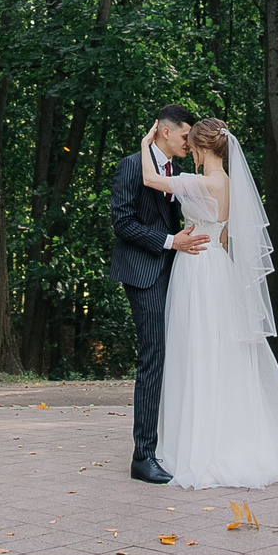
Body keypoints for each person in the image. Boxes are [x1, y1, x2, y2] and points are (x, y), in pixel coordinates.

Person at [133, 115, 278, 489]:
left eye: (191, 146)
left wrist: (144, 143)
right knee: (219, 352)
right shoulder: (228, 183)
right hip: (218, 267)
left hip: (197, 271)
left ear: (201, 148)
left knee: (194, 350)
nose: (190, 152)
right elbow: (226, 234)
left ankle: (198, 443)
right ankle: (228, 434)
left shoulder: (202, 182)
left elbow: (150, 179)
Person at [109, 104, 208, 484]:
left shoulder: (177, 172)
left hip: (174, 273)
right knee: (153, 356)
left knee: (175, 356)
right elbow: (123, 223)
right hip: (144, 273)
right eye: (185, 136)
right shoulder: (133, 165)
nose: (189, 142)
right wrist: (169, 242)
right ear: (166, 132)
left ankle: (170, 444)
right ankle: (143, 456)